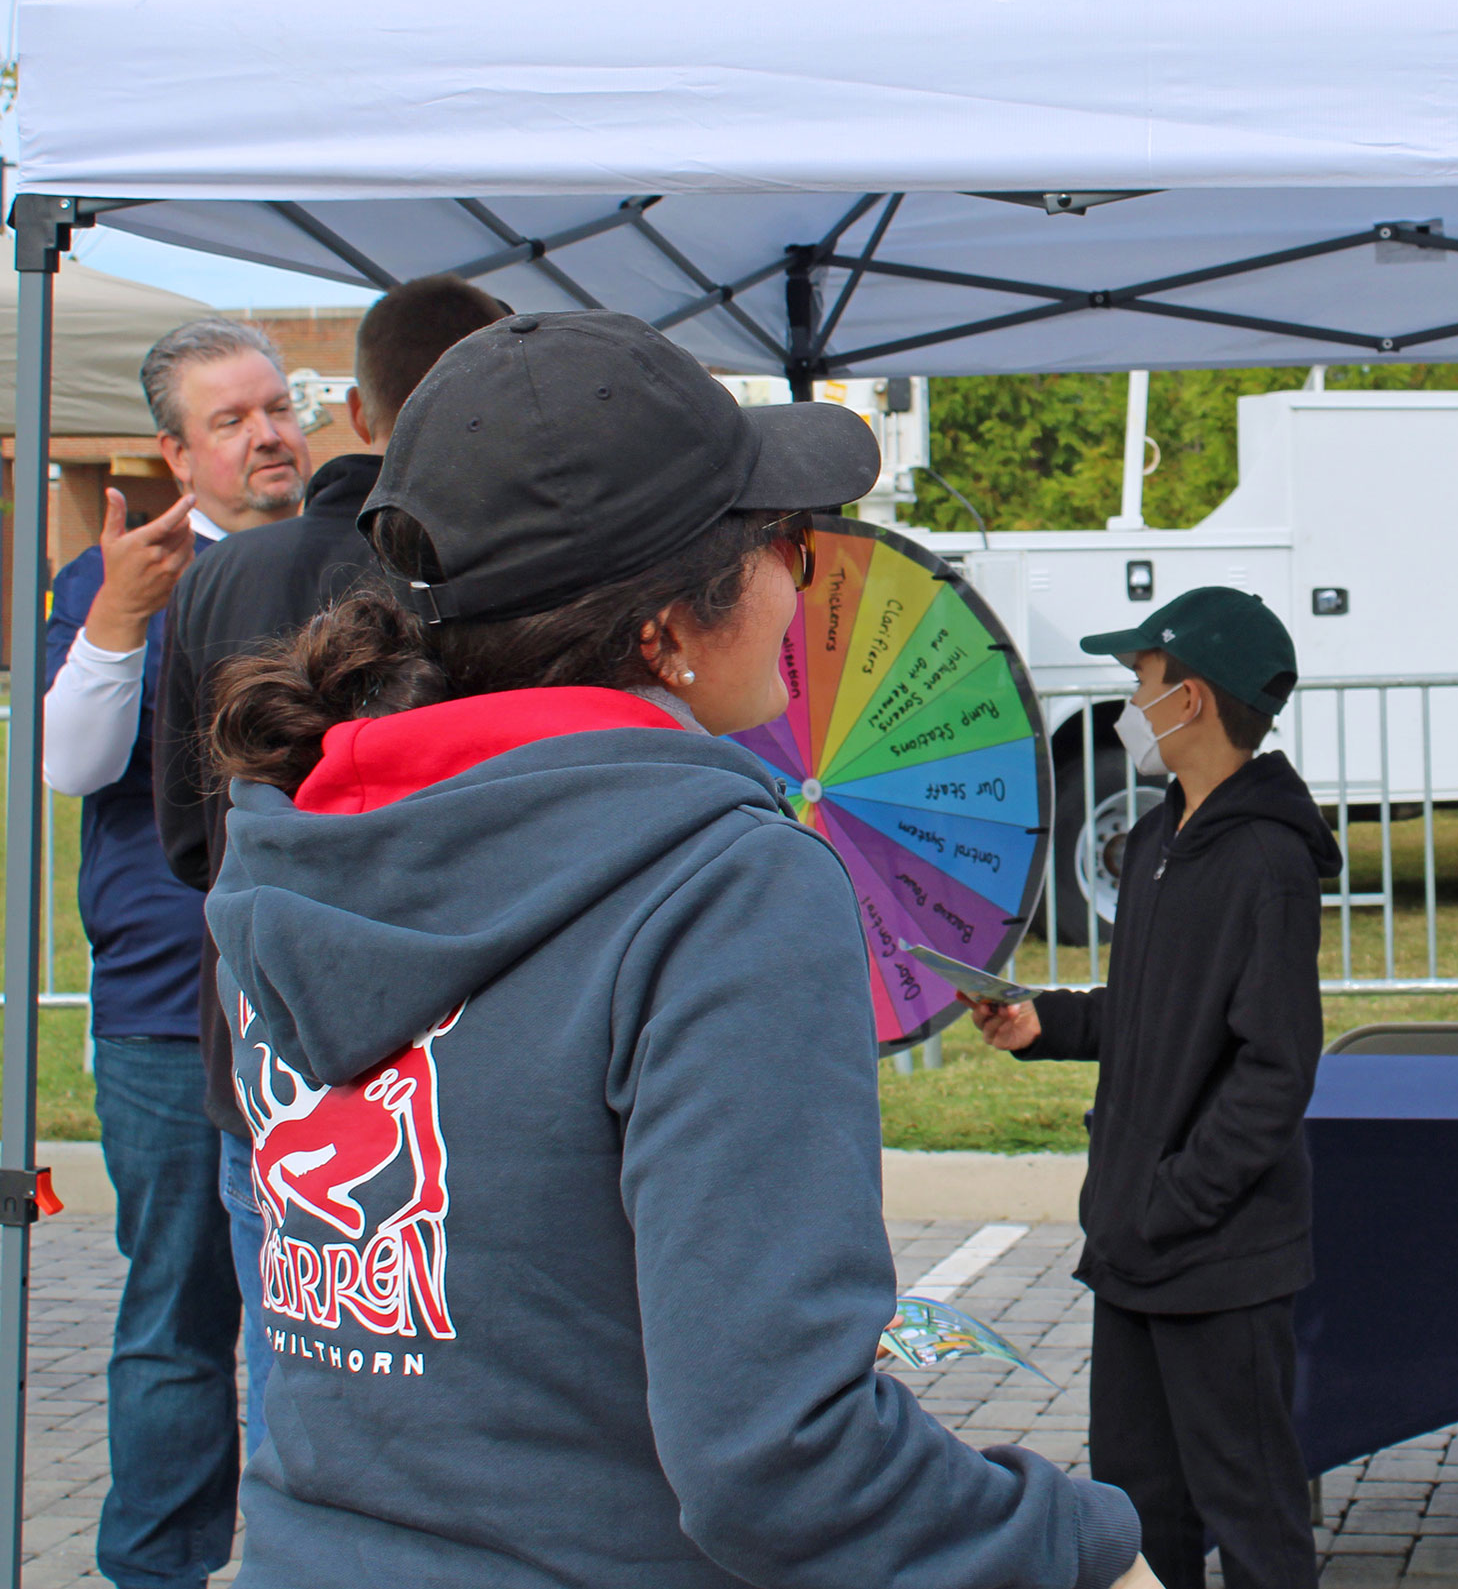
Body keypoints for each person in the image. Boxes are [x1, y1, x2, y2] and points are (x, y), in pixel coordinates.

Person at [201, 310, 1152, 1589]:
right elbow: (782, 1460)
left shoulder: (307, 837)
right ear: (663, 625)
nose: (805, 580)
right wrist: (1075, 1547)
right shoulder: (724, 886)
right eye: (781, 544)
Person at [152, 274, 510, 1454]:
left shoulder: (226, 578)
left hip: (270, 1051)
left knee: (298, 1388)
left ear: (357, 413)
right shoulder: (513, 580)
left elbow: (190, 836)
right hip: (469, 1055)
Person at [971, 586, 1340, 1589]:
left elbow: (1274, 1067)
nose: (1131, 707)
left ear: (1195, 700)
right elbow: (1146, 1009)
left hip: (1216, 1253)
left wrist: (1177, 1194)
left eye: (1141, 684)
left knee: (1250, 1510)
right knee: (1138, 1510)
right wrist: (1046, 1020)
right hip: (1133, 1248)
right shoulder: (1156, 842)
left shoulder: (1265, 861)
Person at [41, 316, 312, 1589]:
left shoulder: (341, 570)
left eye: (276, 409)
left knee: (314, 1324)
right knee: (178, 1321)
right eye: (232, 419)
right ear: (175, 451)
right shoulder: (122, 580)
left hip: (313, 1005)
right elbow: (70, 767)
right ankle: (157, 1569)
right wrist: (117, 623)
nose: (267, 435)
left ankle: (310, 1557)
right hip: (164, 1012)